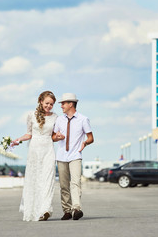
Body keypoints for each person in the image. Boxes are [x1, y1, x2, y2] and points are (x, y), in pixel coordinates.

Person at [12, 90, 59, 221]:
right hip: (34, 150)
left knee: (48, 179)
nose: (49, 106)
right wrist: (18, 140)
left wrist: (58, 137)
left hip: (48, 150)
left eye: (51, 104)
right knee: (35, 179)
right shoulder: (31, 115)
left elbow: (54, 136)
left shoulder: (55, 117)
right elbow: (29, 134)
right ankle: (34, 210)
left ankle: (45, 209)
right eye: (47, 103)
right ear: (40, 101)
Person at [52, 93, 94, 221]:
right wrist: (57, 137)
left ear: (71, 104)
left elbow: (91, 138)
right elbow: (53, 137)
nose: (61, 106)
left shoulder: (83, 119)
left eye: (63, 103)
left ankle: (76, 209)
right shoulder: (59, 119)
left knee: (75, 182)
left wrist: (85, 143)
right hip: (61, 156)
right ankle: (67, 211)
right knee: (64, 185)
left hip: (75, 155)